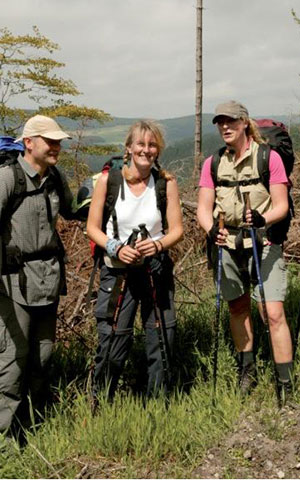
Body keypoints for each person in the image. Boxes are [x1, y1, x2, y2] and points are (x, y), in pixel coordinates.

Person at [0, 114, 81, 437]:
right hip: (10, 284)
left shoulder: (54, 178)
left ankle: (32, 430)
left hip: (47, 281)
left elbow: (73, 210)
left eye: (58, 141)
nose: (56, 146)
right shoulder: (5, 179)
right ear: (28, 143)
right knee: (11, 362)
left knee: (42, 358)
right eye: (50, 141)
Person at [196, 100, 293, 398]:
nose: (225, 127)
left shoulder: (268, 157)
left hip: (262, 242)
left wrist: (265, 219)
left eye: (231, 121)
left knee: (272, 312)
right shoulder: (213, 163)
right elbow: (203, 208)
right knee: (237, 308)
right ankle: (247, 372)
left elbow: (281, 205)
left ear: (244, 123)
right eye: (220, 122)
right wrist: (211, 229)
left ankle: (285, 381)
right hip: (227, 244)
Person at [86, 120, 183, 402]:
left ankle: (158, 403)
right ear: (128, 148)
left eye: (152, 145)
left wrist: (157, 245)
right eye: (140, 144)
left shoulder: (166, 183)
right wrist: (116, 248)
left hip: (156, 268)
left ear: (158, 150)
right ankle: (100, 402)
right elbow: (92, 228)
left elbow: (177, 230)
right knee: (113, 338)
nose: (146, 150)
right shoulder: (109, 181)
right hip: (117, 271)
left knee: (161, 337)